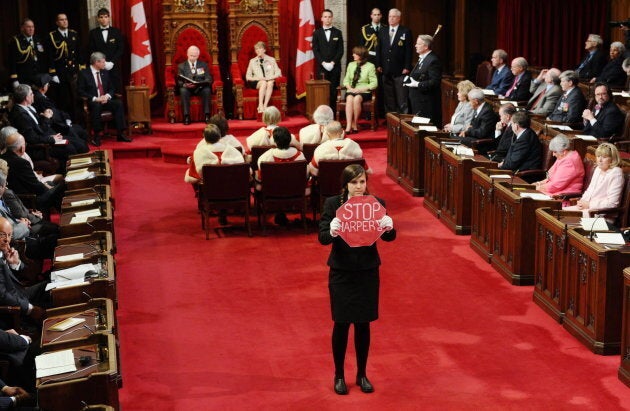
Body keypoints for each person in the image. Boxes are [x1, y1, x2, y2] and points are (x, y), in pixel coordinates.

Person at [318, 164, 396, 395]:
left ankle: (362, 374)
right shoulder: (333, 204)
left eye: (362, 182)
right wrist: (331, 230)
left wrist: (389, 228)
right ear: (345, 184)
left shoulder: (377, 204)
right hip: (342, 273)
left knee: (363, 324)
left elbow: (390, 237)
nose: (359, 187)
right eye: (354, 182)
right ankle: (339, 375)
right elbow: (322, 238)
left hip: (367, 271)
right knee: (341, 324)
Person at [8, 84, 75, 167]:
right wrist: (51, 139)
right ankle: (66, 175)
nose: (33, 95)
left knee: (75, 142)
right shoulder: (21, 115)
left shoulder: (25, 108)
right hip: (37, 149)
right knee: (71, 148)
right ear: (26, 98)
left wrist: (45, 117)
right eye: (31, 94)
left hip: (43, 139)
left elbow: (38, 128)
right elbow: (32, 139)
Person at [0, 217, 48, 322]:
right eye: (2, 235)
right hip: (12, 309)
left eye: (9, 235)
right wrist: (30, 309)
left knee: (50, 286)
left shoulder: (5, 249)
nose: (7, 239)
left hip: (20, 294)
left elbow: (23, 276)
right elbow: (3, 296)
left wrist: (15, 264)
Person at [78, 52, 130, 145]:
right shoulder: (84, 73)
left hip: (105, 100)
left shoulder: (105, 72)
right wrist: (95, 98)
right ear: (96, 62)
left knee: (118, 104)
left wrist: (107, 96)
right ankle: (97, 135)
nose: (105, 64)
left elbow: (112, 88)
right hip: (93, 102)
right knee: (97, 106)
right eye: (103, 62)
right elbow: (80, 91)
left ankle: (120, 134)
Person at [31, 74, 89, 154]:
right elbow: (53, 115)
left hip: (60, 123)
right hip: (57, 127)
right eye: (48, 84)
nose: (49, 86)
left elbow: (56, 111)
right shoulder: (40, 99)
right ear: (43, 87)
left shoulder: (41, 96)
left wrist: (67, 119)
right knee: (80, 142)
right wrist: (66, 124)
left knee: (81, 131)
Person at [563, 143, 624, 217]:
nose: (600, 160)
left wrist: (589, 204)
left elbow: (613, 203)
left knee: (562, 216)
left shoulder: (616, 173)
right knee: (559, 213)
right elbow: (590, 190)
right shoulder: (598, 169)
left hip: (600, 214)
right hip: (587, 209)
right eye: (598, 156)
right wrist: (582, 202)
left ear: (612, 159)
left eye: (604, 157)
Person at [376, 8, 413, 114]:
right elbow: (378, 49)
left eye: (394, 17)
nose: (391, 19)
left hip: (400, 70)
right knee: (389, 97)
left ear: (399, 18)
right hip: (385, 69)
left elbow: (408, 51)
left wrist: (407, 66)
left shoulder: (405, 31)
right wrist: (378, 64)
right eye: (389, 16)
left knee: (401, 97)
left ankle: (403, 119)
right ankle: (391, 119)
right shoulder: (382, 30)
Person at [46, 13, 81, 117]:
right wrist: (53, 73)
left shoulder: (73, 34)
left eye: (66, 19)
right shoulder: (52, 36)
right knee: (64, 99)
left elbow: (79, 53)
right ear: (57, 22)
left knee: (76, 98)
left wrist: (81, 69)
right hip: (60, 72)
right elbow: (50, 56)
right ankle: (66, 120)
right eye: (61, 20)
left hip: (73, 71)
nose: (65, 21)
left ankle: (78, 121)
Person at [404, 34, 442, 126]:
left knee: (424, 130)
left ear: (425, 46)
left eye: (418, 44)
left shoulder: (433, 60)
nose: (415, 46)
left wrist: (417, 84)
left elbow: (435, 82)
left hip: (426, 104)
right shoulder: (423, 58)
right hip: (417, 101)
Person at [312, 9, 344, 110]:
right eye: (325, 17)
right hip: (322, 68)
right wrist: (323, 63)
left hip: (335, 68)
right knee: (323, 92)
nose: (327, 19)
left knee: (334, 91)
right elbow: (315, 50)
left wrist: (333, 63)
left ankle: (334, 114)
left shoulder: (338, 32)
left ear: (332, 18)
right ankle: (324, 113)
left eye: (329, 17)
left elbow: (340, 50)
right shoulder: (317, 33)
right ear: (322, 18)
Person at [87, 8, 124, 93]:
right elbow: (91, 50)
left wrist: (112, 62)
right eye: (101, 17)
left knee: (116, 91)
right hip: (99, 68)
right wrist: (101, 63)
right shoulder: (93, 33)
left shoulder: (116, 32)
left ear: (109, 18)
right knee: (101, 90)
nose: (103, 19)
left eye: (106, 17)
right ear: (98, 19)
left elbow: (120, 49)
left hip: (114, 67)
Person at [342, 46, 377, 134]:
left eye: (355, 53)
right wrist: (350, 88)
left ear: (361, 55)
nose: (353, 55)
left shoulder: (370, 66)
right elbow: (346, 80)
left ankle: (355, 123)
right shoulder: (351, 64)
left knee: (357, 98)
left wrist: (361, 89)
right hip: (351, 90)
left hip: (364, 91)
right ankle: (349, 125)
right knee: (349, 98)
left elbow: (374, 83)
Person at [178, 45, 213, 125]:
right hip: (187, 88)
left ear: (198, 56)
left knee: (207, 90)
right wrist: (185, 85)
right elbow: (179, 81)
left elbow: (209, 78)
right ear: (187, 54)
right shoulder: (181, 66)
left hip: (200, 87)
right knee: (182, 90)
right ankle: (186, 116)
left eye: (194, 56)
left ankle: (207, 115)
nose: (192, 58)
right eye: (191, 55)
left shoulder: (203, 65)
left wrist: (203, 83)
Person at [8, 18, 47, 89]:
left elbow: (42, 59)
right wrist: (14, 80)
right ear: (22, 28)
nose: (31, 29)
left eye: (32, 27)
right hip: (23, 78)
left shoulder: (37, 39)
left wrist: (45, 78)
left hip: (38, 78)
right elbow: (12, 61)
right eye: (28, 27)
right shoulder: (16, 41)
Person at [246, 41, 282, 113]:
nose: (258, 50)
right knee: (263, 82)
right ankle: (260, 105)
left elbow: (279, 73)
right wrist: (258, 78)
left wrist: (270, 77)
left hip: (269, 80)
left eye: (260, 48)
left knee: (270, 83)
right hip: (257, 82)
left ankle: (265, 105)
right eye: (256, 49)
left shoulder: (271, 60)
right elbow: (248, 76)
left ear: (264, 50)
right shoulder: (252, 61)